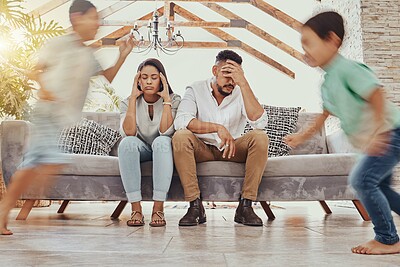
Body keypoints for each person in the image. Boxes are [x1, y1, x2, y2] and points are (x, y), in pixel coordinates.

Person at [0, 0, 134, 235]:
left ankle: (15, 211)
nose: (97, 24)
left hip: (60, 118)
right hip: (47, 113)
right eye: (93, 18)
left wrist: (122, 54)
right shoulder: (58, 44)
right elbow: (35, 69)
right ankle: (5, 214)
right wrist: (46, 90)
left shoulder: (87, 53)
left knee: (43, 164)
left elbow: (108, 77)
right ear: (76, 19)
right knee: (38, 164)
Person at [284, 11, 400, 255]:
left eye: (308, 43)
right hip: (386, 134)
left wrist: (379, 132)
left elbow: (376, 94)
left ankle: (388, 239)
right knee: (381, 187)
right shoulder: (327, 83)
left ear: (332, 40)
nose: (304, 50)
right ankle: (388, 237)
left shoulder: (347, 69)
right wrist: (301, 137)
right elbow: (324, 116)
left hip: (391, 131)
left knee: (362, 180)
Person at [173, 50, 269, 227]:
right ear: (214, 70)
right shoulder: (195, 89)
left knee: (260, 137)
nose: (231, 81)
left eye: (236, 75)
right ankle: (195, 207)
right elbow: (181, 121)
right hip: (203, 148)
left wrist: (244, 83)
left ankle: (245, 206)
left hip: (231, 149)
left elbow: (260, 123)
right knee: (181, 136)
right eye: (226, 74)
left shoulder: (241, 90)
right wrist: (217, 128)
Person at [118, 58, 181, 227]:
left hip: (163, 148)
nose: (148, 81)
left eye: (154, 77)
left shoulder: (174, 100)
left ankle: (158, 208)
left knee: (161, 141)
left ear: (162, 79)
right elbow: (129, 132)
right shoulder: (126, 102)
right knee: (126, 143)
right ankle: (136, 209)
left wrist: (166, 100)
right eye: (144, 77)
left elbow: (166, 131)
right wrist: (133, 98)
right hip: (142, 148)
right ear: (138, 80)